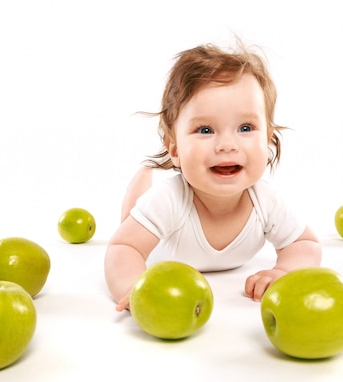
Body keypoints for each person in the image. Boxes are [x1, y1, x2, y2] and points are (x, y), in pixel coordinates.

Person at [104, 41, 322, 312]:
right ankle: (141, 182)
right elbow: (124, 248)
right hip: (159, 230)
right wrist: (133, 288)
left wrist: (285, 270)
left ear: (267, 139)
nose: (227, 145)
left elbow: (305, 243)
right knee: (129, 221)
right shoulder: (168, 200)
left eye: (245, 127)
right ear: (174, 148)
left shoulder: (265, 201)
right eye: (205, 130)